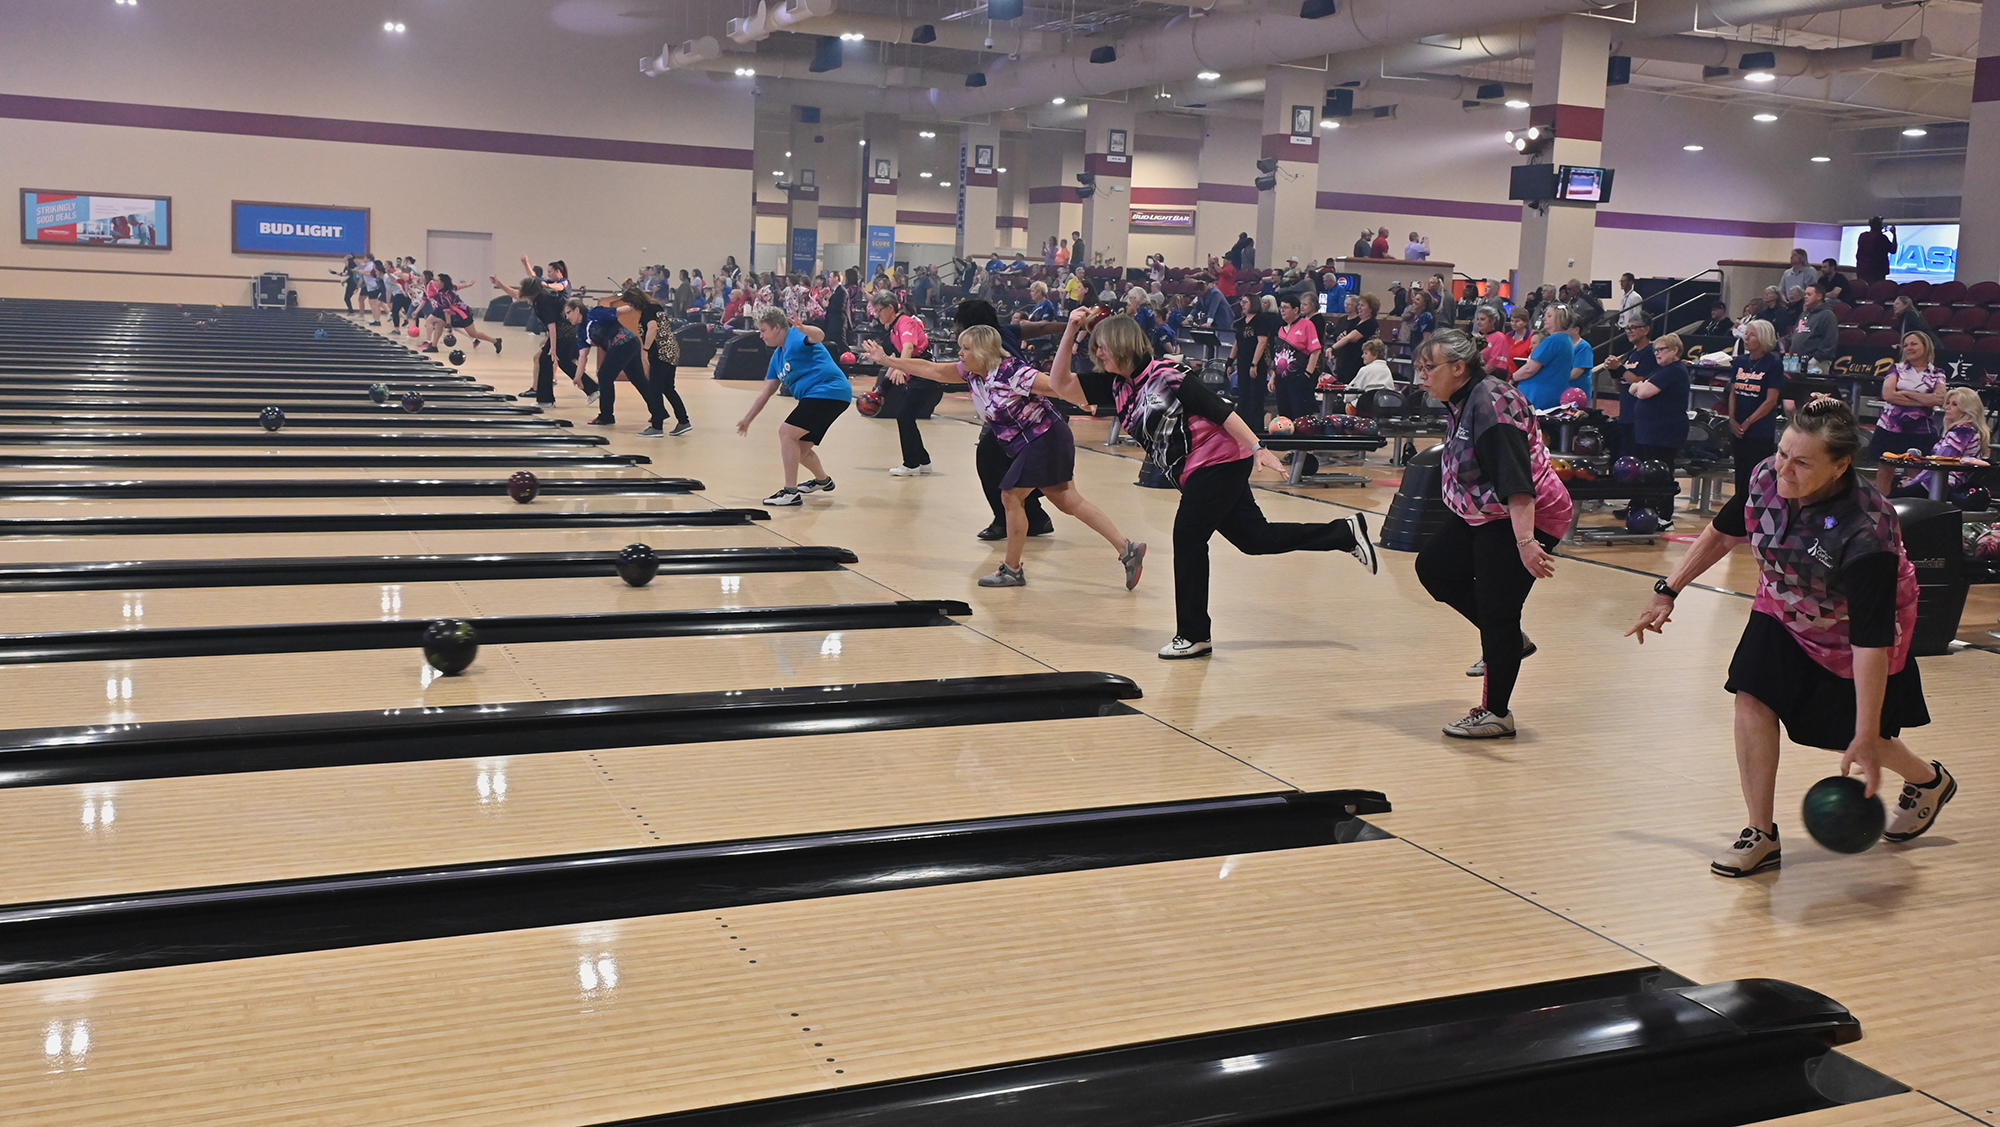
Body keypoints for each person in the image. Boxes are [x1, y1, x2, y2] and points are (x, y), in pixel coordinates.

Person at [1627, 396, 1955, 877]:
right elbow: (1722, 533)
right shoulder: (1766, 477)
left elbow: (1871, 641)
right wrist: (1667, 590)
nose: (1785, 468)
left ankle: (1928, 781)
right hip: (1781, 607)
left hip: (1852, 634)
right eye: (1783, 452)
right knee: (1751, 696)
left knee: (1850, 738)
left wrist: (1865, 732)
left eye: (1802, 462)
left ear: (1841, 465)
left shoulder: (1868, 529)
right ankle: (1760, 832)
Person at [1052, 309, 1373, 658]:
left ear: (1123, 343)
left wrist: (1258, 449)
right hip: (1196, 472)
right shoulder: (1116, 386)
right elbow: (1059, 384)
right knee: (1255, 539)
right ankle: (1343, 532)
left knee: (1188, 536)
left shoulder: (1168, 375)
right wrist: (1071, 329)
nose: (1097, 353)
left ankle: (1194, 634)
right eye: (1095, 347)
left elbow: (1221, 411)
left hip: (1219, 463)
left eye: (1103, 347)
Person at [868, 325, 1144, 590]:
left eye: (966, 348)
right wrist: (887, 359)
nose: (960, 353)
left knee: (1011, 495)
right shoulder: (972, 374)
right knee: (1067, 500)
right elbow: (932, 369)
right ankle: (1127, 548)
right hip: (1031, 442)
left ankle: (1012, 569)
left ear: (985, 351)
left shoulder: (1012, 371)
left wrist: (1081, 399)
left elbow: (1054, 386)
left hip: (1045, 436)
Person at [1412, 329, 1572, 739]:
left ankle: (1496, 713)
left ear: (1459, 367)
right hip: (1484, 513)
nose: (1421, 378)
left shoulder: (1491, 407)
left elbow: (1517, 484)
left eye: (1428, 369)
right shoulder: (1463, 396)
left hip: (1524, 516)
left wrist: (1526, 543)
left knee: (1498, 610)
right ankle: (1508, 642)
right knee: (1434, 568)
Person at [957, 300, 1066, 541]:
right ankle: (1034, 517)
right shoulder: (1006, 331)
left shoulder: (988, 349)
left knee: (989, 461)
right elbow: (1039, 328)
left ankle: (1007, 520)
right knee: (1000, 463)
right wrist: (1070, 326)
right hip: (1024, 412)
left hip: (1021, 417)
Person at [737, 307, 853, 506]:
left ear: (777, 327)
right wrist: (747, 419)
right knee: (800, 450)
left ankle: (790, 492)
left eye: (763, 330)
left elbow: (819, 336)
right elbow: (767, 391)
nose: (761, 335)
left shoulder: (795, 336)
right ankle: (823, 481)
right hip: (825, 397)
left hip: (828, 392)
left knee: (786, 433)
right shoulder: (777, 358)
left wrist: (804, 327)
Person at [865, 291, 940, 476]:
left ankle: (911, 464)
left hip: (925, 375)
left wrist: (901, 367)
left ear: (891, 308)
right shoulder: (893, 329)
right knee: (907, 417)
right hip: (917, 376)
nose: (876, 315)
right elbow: (894, 358)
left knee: (904, 416)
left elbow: (908, 347)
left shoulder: (905, 322)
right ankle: (923, 461)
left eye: (879, 310)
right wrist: (881, 390)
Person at [1867, 331, 1948, 495]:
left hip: (1921, 431)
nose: (1909, 348)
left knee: (1915, 474)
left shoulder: (1937, 373)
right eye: (1905, 345)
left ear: (1925, 347)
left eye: (1913, 344)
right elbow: (1888, 395)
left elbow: (1939, 400)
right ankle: (1881, 510)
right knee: (1885, 472)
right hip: (1890, 428)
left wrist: (1905, 393)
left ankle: (1912, 509)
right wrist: (1923, 399)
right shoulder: (1896, 369)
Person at [491, 273, 585, 408]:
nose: (521, 289)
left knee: (545, 361)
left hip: (564, 332)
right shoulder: (539, 296)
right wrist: (499, 283)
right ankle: (592, 389)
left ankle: (546, 400)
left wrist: (552, 347)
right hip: (563, 331)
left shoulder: (543, 300)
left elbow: (552, 325)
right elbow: (517, 295)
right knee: (561, 362)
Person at [1629, 332, 1693, 518]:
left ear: (1675, 351)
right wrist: (1639, 386)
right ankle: (1647, 509)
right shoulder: (1661, 370)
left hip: (1664, 432)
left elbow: (1642, 392)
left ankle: (1664, 515)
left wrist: (1640, 386)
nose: (1657, 353)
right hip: (1651, 432)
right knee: (1649, 473)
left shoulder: (1674, 370)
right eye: (1655, 350)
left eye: (1661, 350)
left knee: (1661, 473)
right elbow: (1634, 385)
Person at [1889, 387, 1991, 502]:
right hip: (1939, 483)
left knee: (1891, 500)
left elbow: (1939, 463)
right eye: (1947, 403)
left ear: (1966, 409)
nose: (1947, 407)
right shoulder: (1968, 430)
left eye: (1954, 404)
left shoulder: (1961, 432)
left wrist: (1913, 482)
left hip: (1944, 485)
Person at [581, 305, 668, 436]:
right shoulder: (582, 330)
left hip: (624, 343)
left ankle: (606, 416)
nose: (567, 317)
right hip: (630, 343)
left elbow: (618, 311)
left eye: (568, 313)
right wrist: (577, 376)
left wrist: (635, 304)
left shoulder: (594, 313)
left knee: (604, 376)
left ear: (577, 310)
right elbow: (583, 355)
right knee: (639, 379)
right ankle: (658, 411)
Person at [1724, 320, 1786, 500]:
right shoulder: (1740, 362)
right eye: (1746, 334)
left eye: (1752, 335)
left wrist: (1749, 422)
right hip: (1738, 427)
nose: (1746, 338)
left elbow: (1771, 400)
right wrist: (1732, 419)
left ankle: (1756, 512)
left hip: (1759, 430)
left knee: (1757, 476)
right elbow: (1733, 392)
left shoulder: (1773, 363)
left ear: (1763, 338)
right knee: (1740, 473)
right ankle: (1738, 514)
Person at [623, 285, 689, 435]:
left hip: (661, 352)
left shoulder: (647, 312)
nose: (630, 307)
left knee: (655, 389)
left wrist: (645, 350)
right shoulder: (655, 306)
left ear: (635, 302)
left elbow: (652, 328)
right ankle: (683, 421)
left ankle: (657, 426)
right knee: (668, 388)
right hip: (672, 350)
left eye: (630, 304)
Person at [1512, 303, 1575, 410]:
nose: (1544, 318)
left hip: (1539, 399)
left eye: (1549, 316)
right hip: (1551, 395)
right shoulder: (1566, 340)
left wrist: (1513, 378)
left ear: (1560, 319)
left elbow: (1529, 369)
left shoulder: (1553, 341)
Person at [1611, 314, 1657, 461]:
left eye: (1633, 328)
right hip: (1625, 414)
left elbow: (1640, 383)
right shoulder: (1631, 353)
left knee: (1635, 459)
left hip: (1639, 418)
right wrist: (1613, 371)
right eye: (1627, 328)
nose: (1629, 331)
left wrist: (1621, 369)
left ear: (1646, 330)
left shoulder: (1650, 353)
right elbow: (1619, 387)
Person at [1271, 293, 1322, 419]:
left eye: (1285, 307)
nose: (1282, 310)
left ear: (1295, 310)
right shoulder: (1281, 329)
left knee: (1299, 415)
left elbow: (1315, 351)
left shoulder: (1307, 325)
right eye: (1281, 307)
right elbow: (1278, 355)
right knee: (1284, 415)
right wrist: (1273, 376)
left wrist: (1307, 374)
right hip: (1281, 380)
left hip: (1298, 378)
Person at [1239, 294, 1281, 430]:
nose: (1242, 304)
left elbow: (1262, 342)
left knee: (1255, 396)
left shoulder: (1262, 320)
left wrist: (1254, 364)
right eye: (1242, 301)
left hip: (1257, 362)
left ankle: (1255, 428)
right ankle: (1241, 427)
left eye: (1245, 302)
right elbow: (1237, 341)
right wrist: (1229, 361)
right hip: (1242, 361)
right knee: (1243, 395)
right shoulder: (1241, 321)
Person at [1328, 293, 1381, 384]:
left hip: (1358, 362)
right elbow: (1344, 337)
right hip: (1345, 362)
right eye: (1359, 305)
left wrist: (1332, 348)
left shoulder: (1370, 323)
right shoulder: (1356, 322)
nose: (1359, 308)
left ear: (1371, 309)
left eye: (1362, 305)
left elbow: (1350, 337)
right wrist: (1340, 338)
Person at [1786, 284, 1838, 367]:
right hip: (1796, 361)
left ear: (1819, 296)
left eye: (1809, 294)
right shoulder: (1803, 314)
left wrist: (1816, 359)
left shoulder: (1828, 315)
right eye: (1805, 294)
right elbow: (1798, 333)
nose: (1805, 297)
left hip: (1816, 362)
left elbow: (1830, 341)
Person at [1346, 339, 1396, 408]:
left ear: (1375, 354)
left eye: (1366, 353)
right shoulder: (1387, 370)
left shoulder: (1365, 370)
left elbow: (1349, 396)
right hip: (1384, 409)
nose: (1362, 356)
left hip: (1364, 409)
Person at [1855, 218, 1896, 286]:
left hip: (1862, 269)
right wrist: (1894, 235)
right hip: (1877, 271)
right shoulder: (1882, 238)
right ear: (1880, 226)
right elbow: (1893, 250)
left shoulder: (1863, 236)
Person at [1564, 313, 1593, 403]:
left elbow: (1575, 373)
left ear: (1576, 330)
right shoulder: (1564, 346)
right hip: (1563, 389)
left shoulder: (1584, 347)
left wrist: (1556, 378)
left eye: (1566, 328)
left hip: (1577, 392)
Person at [1474, 306, 1511, 374]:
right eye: (1478, 319)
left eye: (1482, 319)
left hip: (1492, 376)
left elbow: (1493, 364)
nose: (1479, 322)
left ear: (1493, 320)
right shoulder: (1476, 336)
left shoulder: (1500, 338)